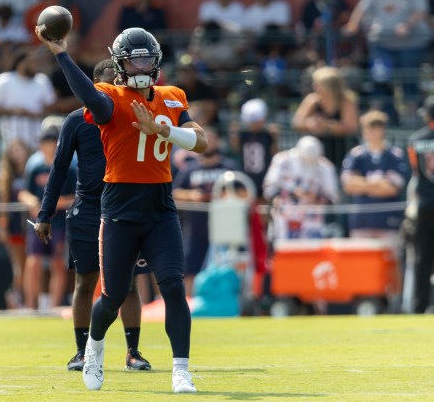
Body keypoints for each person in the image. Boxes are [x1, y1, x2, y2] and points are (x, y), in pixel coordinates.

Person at [35, 26, 207, 393]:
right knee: (112, 295)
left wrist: (166, 133)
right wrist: (61, 53)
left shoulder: (172, 96)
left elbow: (203, 143)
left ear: (157, 61)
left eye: (146, 58)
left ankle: (181, 370)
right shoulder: (109, 96)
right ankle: (94, 350)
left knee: (174, 288)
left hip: (160, 206)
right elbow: (89, 97)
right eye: (134, 59)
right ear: (120, 64)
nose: (141, 65)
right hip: (119, 208)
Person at [34, 59, 152, 371]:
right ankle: (81, 351)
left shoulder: (135, 114)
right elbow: (58, 169)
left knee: (128, 284)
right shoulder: (76, 120)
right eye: (106, 84)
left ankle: (133, 352)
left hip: (126, 209)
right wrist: (45, 213)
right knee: (84, 283)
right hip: (88, 210)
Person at [343, 0, 432, 123]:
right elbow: (362, 7)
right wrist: (353, 24)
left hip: (410, 44)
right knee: (379, 79)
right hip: (382, 42)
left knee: (409, 82)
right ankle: (374, 121)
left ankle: (411, 120)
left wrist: (407, 25)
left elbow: (421, 11)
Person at [173, 127, 241, 296]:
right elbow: (175, 193)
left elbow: (244, 192)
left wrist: (224, 196)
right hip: (195, 228)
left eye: (212, 139)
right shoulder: (189, 169)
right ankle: (188, 304)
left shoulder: (229, 168)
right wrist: (193, 196)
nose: (209, 144)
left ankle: (227, 302)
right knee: (189, 269)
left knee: (228, 268)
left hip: (224, 230)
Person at [19, 127, 75, 310]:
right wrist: (32, 202)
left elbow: (77, 195)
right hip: (37, 222)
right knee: (33, 261)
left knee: (57, 262)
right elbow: (23, 192)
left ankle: (53, 306)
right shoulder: (35, 166)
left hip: (58, 222)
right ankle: (30, 306)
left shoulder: (69, 167)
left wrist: (57, 203)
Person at [407, 101, 434, 313]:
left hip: (424, 203)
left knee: (424, 256)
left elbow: (416, 170)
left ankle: (419, 304)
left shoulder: (415, 140)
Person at [341, 110, 410, 242]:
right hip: (361, 221)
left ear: (383, 130)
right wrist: (377, 183)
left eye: (375, 129)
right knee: (361, 261)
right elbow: (349, 186)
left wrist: (362, 184)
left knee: (390, 261)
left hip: (388, 221)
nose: (371, 133)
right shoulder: (356, 155)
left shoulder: (395, 155)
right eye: (368, 129)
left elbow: (392, 189)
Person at [263, 135, 339, 240]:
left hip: (312, 220)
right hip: (285, 217)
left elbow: (332, 196)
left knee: (311, 251)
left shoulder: (325, 167)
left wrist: (316, 198)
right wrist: (290, 193)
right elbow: (269, 188)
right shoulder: (282, 161)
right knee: (283, 249)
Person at [0, 48, 56, 149]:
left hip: (37, 136)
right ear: (21, 63)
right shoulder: (4, 80)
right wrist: (15, 111)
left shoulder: (42, 80)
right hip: (10, 136)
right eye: (32, 62)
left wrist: (38, 113)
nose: (35, 65)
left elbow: (52, 105)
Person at [292, 66, 359, 168]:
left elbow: (351, 127)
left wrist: (327, 125)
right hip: (317, 153)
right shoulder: (312, 100)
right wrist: (310, 123)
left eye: (318, 84)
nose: (314, 86)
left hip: (342, 150)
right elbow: (297, 123)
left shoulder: (346, 101)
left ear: (330, 86)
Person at [0, 139, 32, 309]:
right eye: (13, 151)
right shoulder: (7, 176)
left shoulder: (33, 170)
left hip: (31, 226)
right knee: (19, 266)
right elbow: (3, 203)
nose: (16, 154)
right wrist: (2, 226)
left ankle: (28, 298)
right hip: (15, 227)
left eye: (19, 149)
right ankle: (17, 297)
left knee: (31, 264)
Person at [230, 98, 278, 199]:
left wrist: (275, 138)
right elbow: (236, 149)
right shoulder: (243, 134)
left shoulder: (267, 134)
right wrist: (233, 135)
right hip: (247, 175)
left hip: (264, 176)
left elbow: (275, 153)